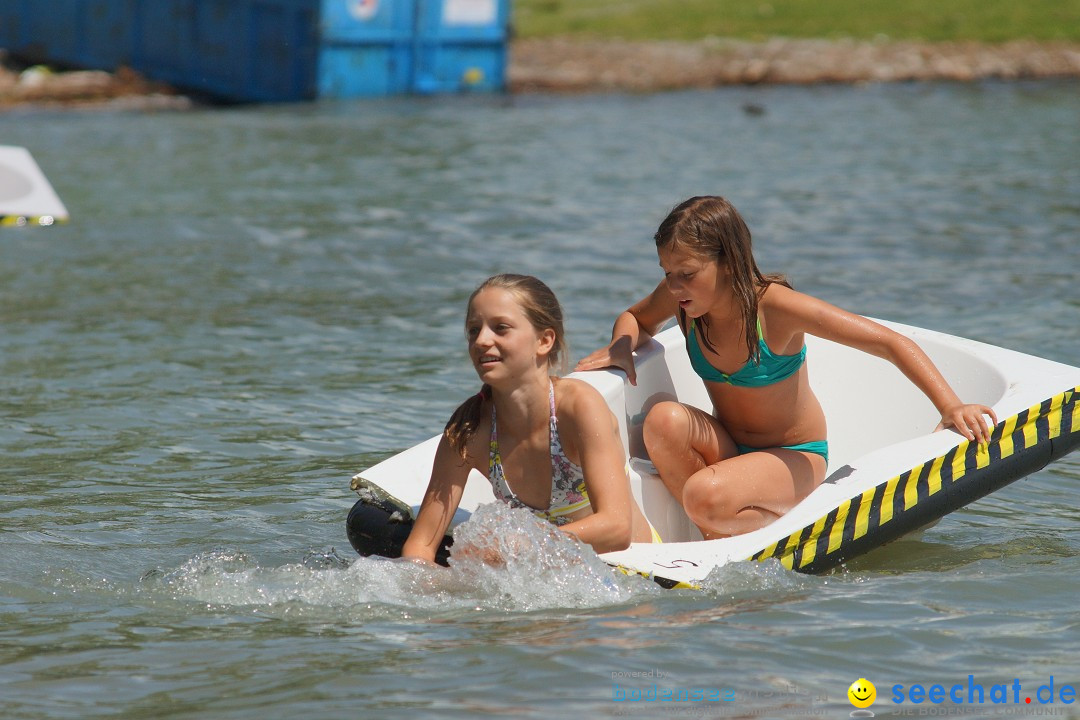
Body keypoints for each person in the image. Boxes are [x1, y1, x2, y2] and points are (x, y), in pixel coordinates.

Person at [575, 196, 997, 540]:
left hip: (794, 458)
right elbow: (635, 317)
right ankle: (717, 529)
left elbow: (888, 341)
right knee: (662, 421)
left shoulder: (776, 309)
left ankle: (728, 524)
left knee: (703, 493)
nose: (673, 286)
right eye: (667, 273)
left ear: (728, 261)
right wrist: (621, 347)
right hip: (730, 449)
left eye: (686, 273)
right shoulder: (684, 300)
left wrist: (950, 406)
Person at [401, 273, 657, 566]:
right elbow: (420, 545)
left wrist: (520, 545)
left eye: (501, 328)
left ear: (544, 340)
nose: (482, 340)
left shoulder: (578, 408)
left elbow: (616, 528)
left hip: (633, 571)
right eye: (474, 330)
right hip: (541, 577)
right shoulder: (469, 429)